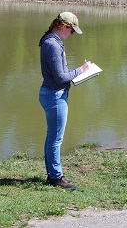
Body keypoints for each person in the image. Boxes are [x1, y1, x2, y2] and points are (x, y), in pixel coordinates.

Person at [38, 11, 91, 190]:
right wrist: (81, 70)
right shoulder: (52, 45)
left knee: (52, 137)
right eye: (72, 31)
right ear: (63, 26)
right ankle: (55, 177)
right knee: (56, 139)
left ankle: (54, 174)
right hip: (55, 96)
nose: (72, 35)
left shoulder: (51, 41)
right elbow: (60, 77)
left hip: (51, 94)